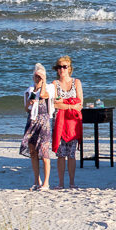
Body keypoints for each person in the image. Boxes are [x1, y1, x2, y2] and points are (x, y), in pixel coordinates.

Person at [20, 63, 54, 191]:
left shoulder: (49, 88)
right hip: (32, 121)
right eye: (36, 76)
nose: (38, 78)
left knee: (44, 152)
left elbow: (44, 95)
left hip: (43, 121)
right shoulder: (30, 90)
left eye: (40, 76)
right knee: (33, 151)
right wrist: (30, 100)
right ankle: (36, 181)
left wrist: (43, 82)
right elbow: (26, 108)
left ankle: (46, 182)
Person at [51, 56, 83, 189]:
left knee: (71, 154)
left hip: (73, 123)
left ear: (69, 68)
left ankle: (71, 182)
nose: (62, 69)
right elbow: (54, 104)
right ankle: (60, 183)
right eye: (59, 67)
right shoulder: (54, 84)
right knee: (60, 154)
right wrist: (70, 104)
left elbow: (80, 103)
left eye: (64, 67)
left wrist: (63, 103)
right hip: (59, 122)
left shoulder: (76, 82)